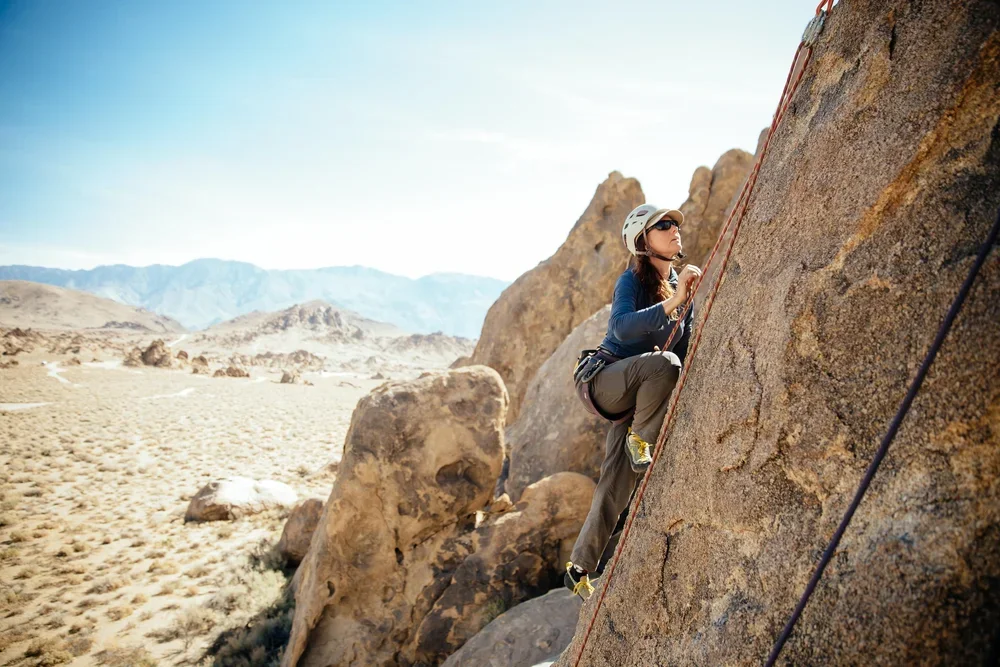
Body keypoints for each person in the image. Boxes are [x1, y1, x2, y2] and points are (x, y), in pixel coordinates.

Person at [564, 203, 702, 599]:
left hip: (638, 390)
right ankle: (640, 439)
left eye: (675, 224)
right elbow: (621, 328)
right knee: (664, 365)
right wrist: (675, 300)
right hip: (603, 379)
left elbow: (684, 344)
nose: (674, 229)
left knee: (616, 482)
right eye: (663, 225)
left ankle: (579, 567)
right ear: (644, 241)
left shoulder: (677, 283)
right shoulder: (631, 281)